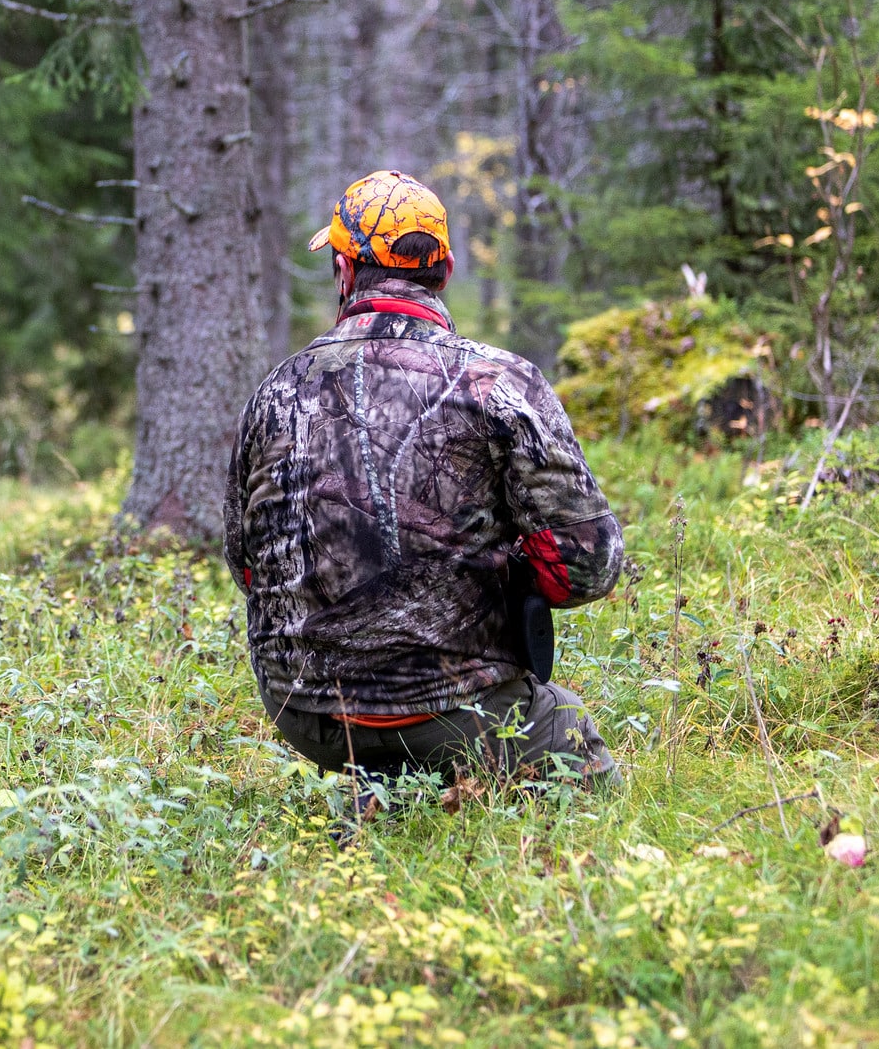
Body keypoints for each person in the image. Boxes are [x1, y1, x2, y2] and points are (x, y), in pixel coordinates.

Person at [223, 170, 624, 787]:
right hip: (458, 715)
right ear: (447, 270)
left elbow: (248, 566)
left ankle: (380, 787)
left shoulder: (276, 391)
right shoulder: (501, 384)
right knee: (573, 743)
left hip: (304, 713)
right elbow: (587, 570)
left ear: (346, 270)